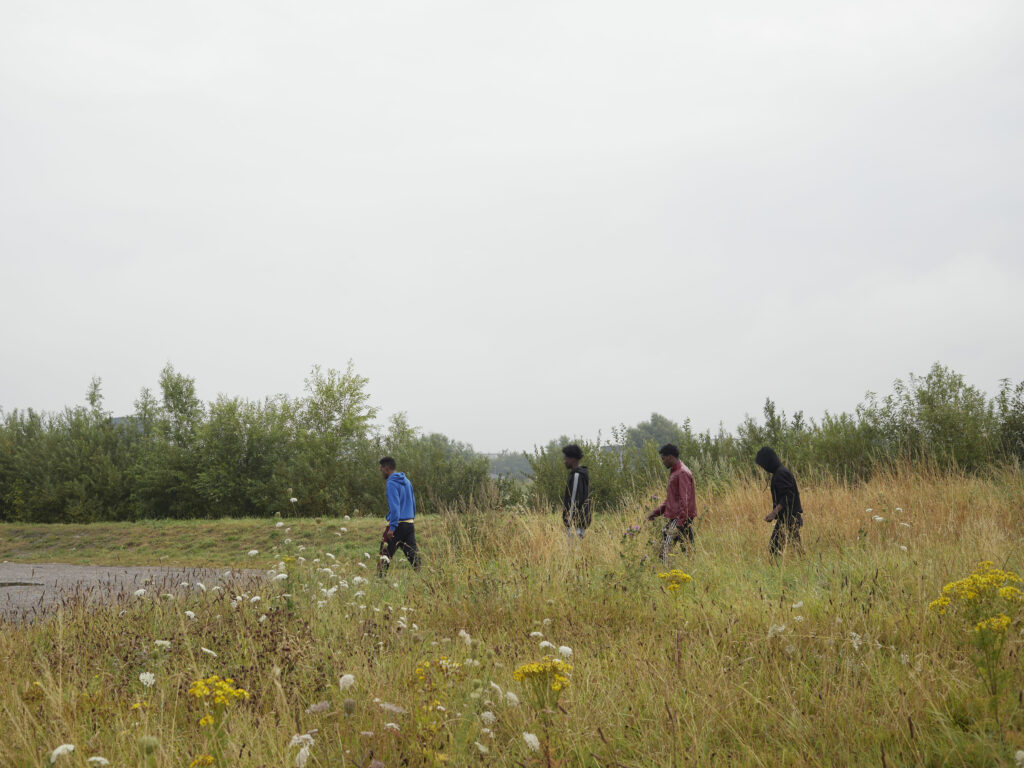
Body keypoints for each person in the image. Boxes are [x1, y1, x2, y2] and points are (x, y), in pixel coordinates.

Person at [646, 444, 697, 560]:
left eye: (663, 459)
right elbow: (671, 500)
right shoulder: (676, 472)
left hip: (680, 517)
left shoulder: (681, 473)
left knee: (665, 549)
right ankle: (689, 570)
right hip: (681, 517)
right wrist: (655, 513)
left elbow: (685, 500)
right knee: (688, 549)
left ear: (669, 457)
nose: (663, 462)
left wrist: (679, 523)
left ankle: (665, 573)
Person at [754, 446, 803, 557]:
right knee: (794, 548)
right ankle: (803, 564)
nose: (764, 468)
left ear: (769, 461)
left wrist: (774, 513)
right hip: (787, 518)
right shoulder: (779, 472)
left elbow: (788, 496)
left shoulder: (781, 473)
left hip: (789, 518)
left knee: (774, 550)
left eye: (764, 464)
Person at [378, 457, 421, 572]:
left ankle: (379, 580)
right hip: (409, 524)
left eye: (381, 469)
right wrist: (411, 519)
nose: (381, 471)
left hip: (397, 525)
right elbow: (413, 503)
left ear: (386, 468)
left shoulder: (391, 483)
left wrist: (392, 527)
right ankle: (423, 578)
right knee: (413, 555)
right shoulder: (407, 481)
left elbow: (395, 507)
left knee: (384, 553)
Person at [561, 444, 591, 540]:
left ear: (573, 460)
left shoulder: (577, 475)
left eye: (565, 459)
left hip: (575, 525)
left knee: (573, 553)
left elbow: (573, 500)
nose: (564, 462)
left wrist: (569, 520)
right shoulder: (580, 474)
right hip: (579, 523)